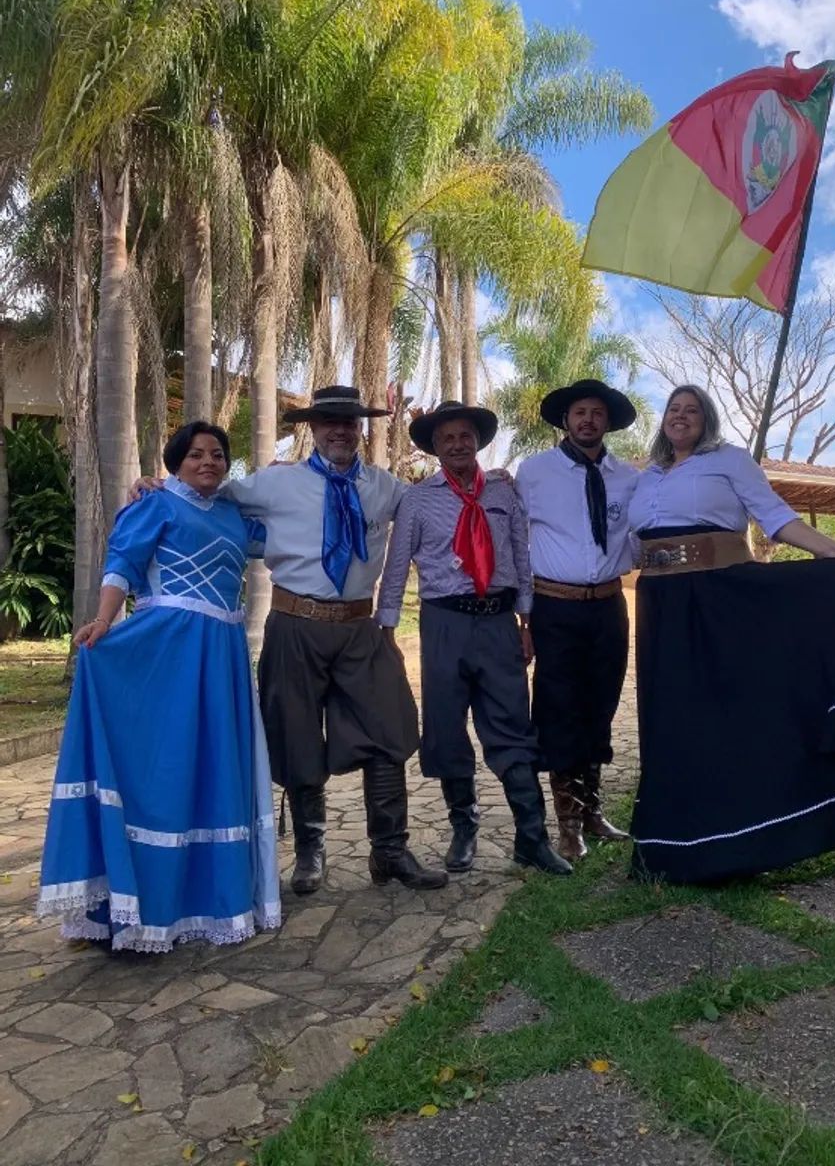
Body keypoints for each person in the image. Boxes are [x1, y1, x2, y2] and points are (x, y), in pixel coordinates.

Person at [132, 386, 446, 895]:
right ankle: (310, 853)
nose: (340, 430)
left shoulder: (385, 487)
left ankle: (389, 851)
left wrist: (489, 478)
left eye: (349, 421)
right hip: (294, 624)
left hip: (358, 627)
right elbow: (207, 490)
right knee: (296, 735)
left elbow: (432, 506)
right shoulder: (275, 485)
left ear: (361, 428)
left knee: (391, 729)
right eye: (329, 422)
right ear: (314, 429)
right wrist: (156, 485)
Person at [627, 385, 835, 886]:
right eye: (674, 409)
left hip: (719, 597)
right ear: (663, 421)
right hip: (659, 605)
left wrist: (831, 551)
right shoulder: (645, 475)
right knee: (672, 718)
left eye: (692, 410)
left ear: (707, 419)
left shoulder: (732, 460)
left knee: (729, 712)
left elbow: (775, 517)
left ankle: (745, 837)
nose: (681, 416)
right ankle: (671, 846)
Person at [38, 422, 281, 952]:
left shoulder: (236, 516)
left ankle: (209, 899)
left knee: (213, 769)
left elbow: (286, 531)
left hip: (222, 652)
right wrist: (103, 621)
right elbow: (122, 564)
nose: (209, 462)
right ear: (176, 461)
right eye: (196, 455)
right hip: (168, 647)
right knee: (164, 768)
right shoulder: (155, 504)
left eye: (218, 454)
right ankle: (129, 907)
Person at [376, 401, 571, 877]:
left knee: (512, 724)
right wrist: (387, 628)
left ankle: (532, 837)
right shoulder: (417, 501)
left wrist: (526, 619)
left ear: (477, 441)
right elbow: (398, 565)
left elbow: (520, 556)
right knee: (445, 726)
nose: (458, 444)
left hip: (499, 622)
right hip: (444, 624)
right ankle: (464, 830)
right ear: (436, 449)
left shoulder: (503, 492)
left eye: (466, 436)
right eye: (448, 439)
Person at [514, 379, 637, 861]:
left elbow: (640, 534)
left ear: (608, 423)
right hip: (554, 606)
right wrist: (521, 616)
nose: (588, 420)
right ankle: (566, 823)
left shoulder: (628, 477)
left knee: (600, 705)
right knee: (560, 708)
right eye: (579, 412)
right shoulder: (534, 473)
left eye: (597, 413)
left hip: (608, 606)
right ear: (565, 420)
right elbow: (515, 544)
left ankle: (592, 811)